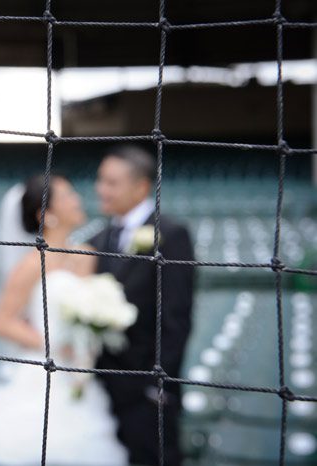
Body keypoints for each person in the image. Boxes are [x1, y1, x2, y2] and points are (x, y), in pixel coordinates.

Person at [0, 173, 129, 466]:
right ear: (46, 214)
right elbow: (2, 322)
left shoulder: (87, 255)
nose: (77, 200)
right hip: (41, 371)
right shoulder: (30, 264)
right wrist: (53, 345)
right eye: (67, 196)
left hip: (80, 374)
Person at [89, 145, 195, 466]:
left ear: (141, 187)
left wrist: (159, 388)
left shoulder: (172, 235)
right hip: (102, 390)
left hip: (147, 395)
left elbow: (176, 318)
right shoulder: (97, 239)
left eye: (111, 182)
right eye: (100, 180)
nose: (101, 189)